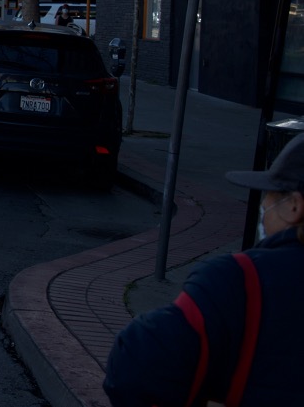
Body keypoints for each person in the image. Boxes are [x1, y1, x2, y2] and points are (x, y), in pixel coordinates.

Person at [103, 133, 304, 406]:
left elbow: (137, 364)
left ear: (294, 205)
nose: (264, 206)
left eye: (270, 195)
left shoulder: (240, 281)